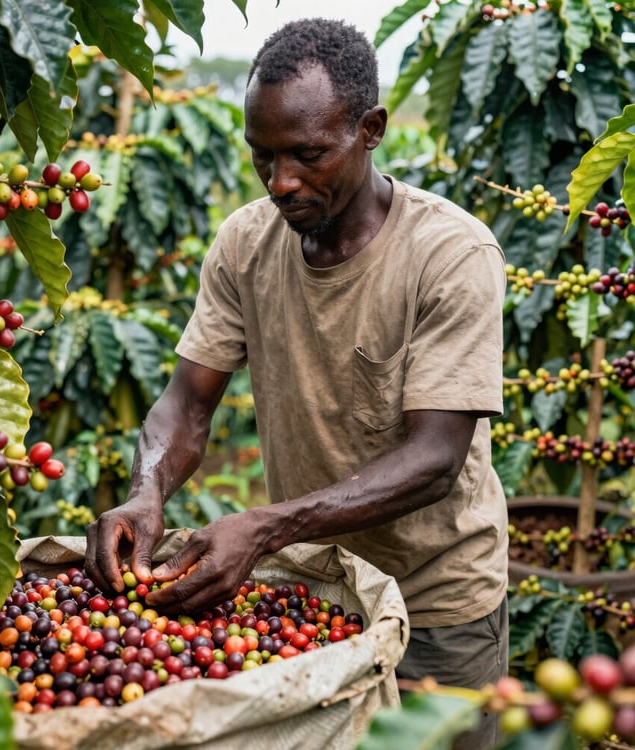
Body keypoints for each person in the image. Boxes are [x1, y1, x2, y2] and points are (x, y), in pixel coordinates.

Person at [86, 17, 508, 748]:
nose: (282, 182)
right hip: (316, 589)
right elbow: (186, 404)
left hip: (438, 603)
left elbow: (436, 458)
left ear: (370, 129)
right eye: (264, 157)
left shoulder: (450, 254)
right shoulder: (246, 243)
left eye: (308, 155)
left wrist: (265, 526)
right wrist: (145, 492)